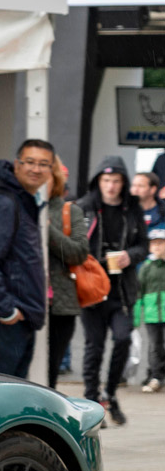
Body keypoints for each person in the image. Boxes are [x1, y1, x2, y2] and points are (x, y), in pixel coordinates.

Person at [0, 141, 53, 379]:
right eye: (30, 162)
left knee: (10, 399)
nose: (36, 169)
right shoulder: (5, 204)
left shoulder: (24, 203)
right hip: (5, 321)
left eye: (43, 164)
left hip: (20, 318)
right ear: (16, 165)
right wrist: (6, 310)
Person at [78, 157, 147, 424]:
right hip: (91, 290)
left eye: (116, 180)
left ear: (123, 183)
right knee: (93, 346)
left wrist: (131, 255)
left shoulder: (132, 209)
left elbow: (143, 243)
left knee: (123, 339)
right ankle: (90, 399)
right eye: (106, 180)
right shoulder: (85, 207)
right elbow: (71, 243)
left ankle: (110, 392)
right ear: (98, 181)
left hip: (120, 290)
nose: (110, 186)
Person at [46, 163, 90, 390]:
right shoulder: (18, 208)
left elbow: (79, 253)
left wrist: (48, 229)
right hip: (25, 302)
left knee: (50, 368)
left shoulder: (70, 211)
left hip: (60, 304)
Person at [137, 229, 165, 393]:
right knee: (155, 346)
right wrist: (136, 315)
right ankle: (156, 376)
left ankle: (158, 373)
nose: (157, 246)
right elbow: (139, 290)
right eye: (154, 243)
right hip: (151, 313)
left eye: (160, 243)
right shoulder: (146, 267)